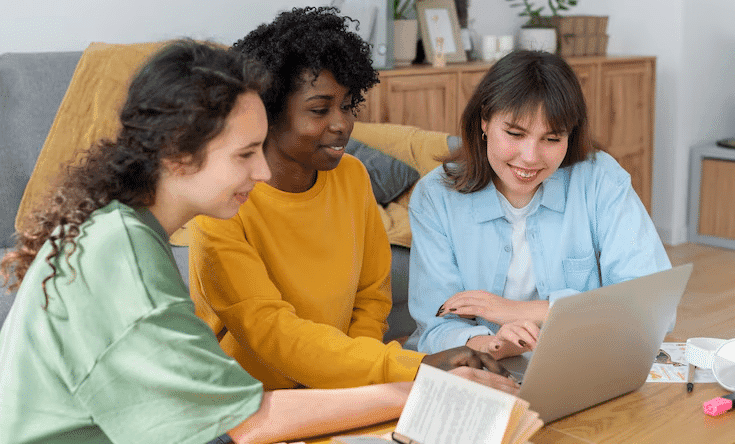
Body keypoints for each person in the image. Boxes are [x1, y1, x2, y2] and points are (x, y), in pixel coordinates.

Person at [0, 40, 517, 444]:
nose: (264, 169)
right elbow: (245, 422)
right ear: (179, 154)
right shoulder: (122, 256)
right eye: (245, 153)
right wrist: (425, 389)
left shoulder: (125, 231)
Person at [188, 6, 502, 390]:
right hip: (250, 402)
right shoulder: (221, 207)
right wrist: (413, 366)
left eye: (349, 105)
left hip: (340, 389)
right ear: (266, 112)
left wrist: (357, 374)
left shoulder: (352, 176)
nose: (342, 125)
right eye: (320, 109)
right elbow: (274, 335)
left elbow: (371, 296)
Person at [405, 49, 672, 359]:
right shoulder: (436, 197)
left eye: (552, 138)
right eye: (515, 134)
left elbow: (653, 306)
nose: (530, 157)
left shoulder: (600, 179)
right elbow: (435, 328)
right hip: (479, 369)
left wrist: (518, 311)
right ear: (484, 121)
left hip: (579, 359)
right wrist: (492, 344)